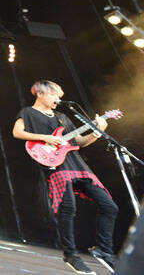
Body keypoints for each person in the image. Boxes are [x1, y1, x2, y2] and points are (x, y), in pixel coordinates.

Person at [12, 80, 117, 275]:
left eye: (59, 96)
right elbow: (17, 132)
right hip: (55, 164)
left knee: (109, 206)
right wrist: (45, 138)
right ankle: (71, 255)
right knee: (68, 208)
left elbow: (79, 142)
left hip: (77, 164)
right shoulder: (27, 112)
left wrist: (97, 131)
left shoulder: (62, 117)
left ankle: (104, 250)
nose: (57, 99)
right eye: (53, 95)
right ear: (40, 94)